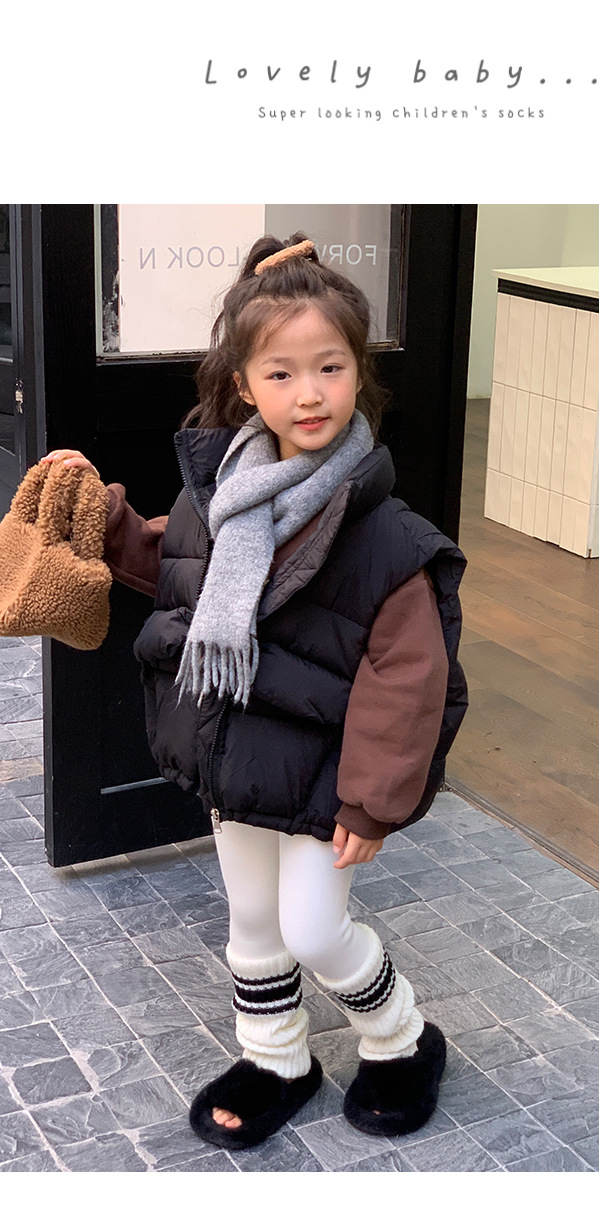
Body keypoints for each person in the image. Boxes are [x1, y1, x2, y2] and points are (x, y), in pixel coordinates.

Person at [43, 234, 468, 1152]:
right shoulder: (225, 495)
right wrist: (108, 525)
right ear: (244, 385)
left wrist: (372, 799)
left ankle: (402, 1039)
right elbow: (183, 570)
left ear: (359, 373)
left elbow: (409, 680)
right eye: (282, 373)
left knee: (315, 929)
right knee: (251, 923)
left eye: (330, 367)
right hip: (239, 756)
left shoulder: (386, 534)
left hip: (327, 777)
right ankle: (276, 1058)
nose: (309, 393)